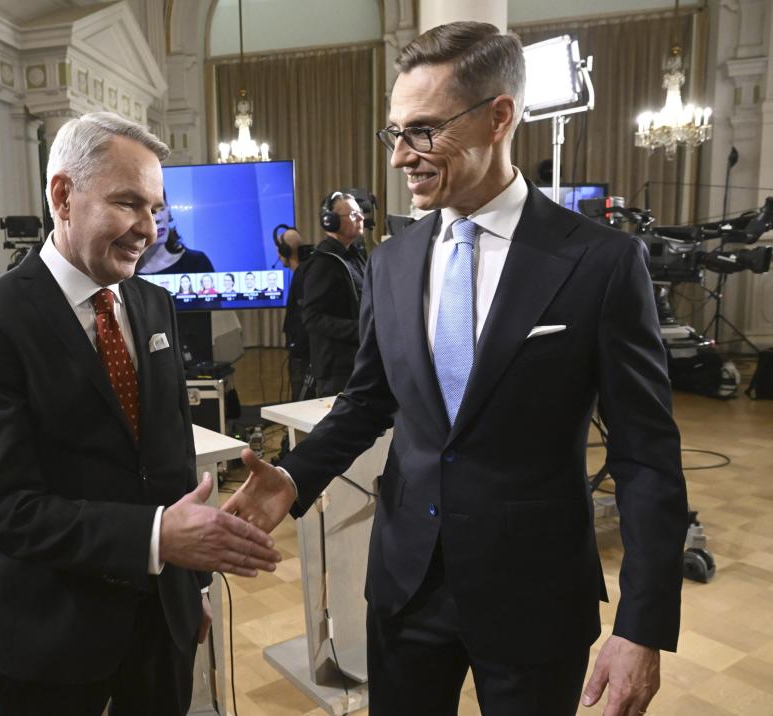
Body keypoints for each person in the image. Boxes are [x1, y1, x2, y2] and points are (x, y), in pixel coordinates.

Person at [224, 22, 687, 716]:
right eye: (394, 134)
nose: (400, 158)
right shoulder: (390, 261)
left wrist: (642, 625)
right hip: (407, 585)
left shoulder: (599, 262)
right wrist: (294, 477)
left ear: (500, 117)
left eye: (422, 131)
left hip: (535, 593)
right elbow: (367, 401)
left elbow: (646, 455)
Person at [0, 112, 281, 716]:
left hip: (163, 625)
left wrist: (190, 585)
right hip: (54, 638)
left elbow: (171, 460)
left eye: (155, 208)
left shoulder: (153, 302)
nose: (148, 230)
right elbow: (8, 510)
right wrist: (158, 539)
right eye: (129, 204)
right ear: (63, 196)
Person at [301, 191, 367, 396]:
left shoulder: (355, 256)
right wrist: (360, 329)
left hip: (358, 361)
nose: (362, 218)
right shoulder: (323, 264)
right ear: (331, 222)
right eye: (354, 214)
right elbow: (313, 318)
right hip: (338, 370)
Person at [136, 191, 214, 275]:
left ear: (168, 211)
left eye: (161, 208)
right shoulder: (124, 271)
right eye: (150, 211)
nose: (158, 218)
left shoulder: (197, 263)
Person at [274, 225, 312, 400]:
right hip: (302, 351)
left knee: (301, 402)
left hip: (303, 355)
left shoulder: (303, 276)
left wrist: (296, 346)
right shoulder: (304, 272)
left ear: (285, 250)